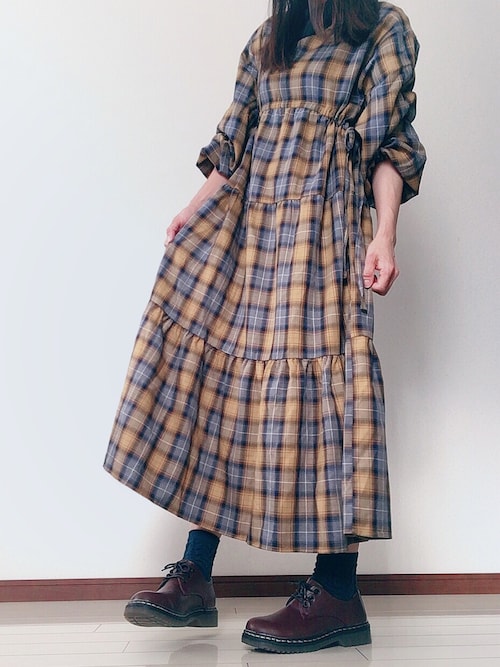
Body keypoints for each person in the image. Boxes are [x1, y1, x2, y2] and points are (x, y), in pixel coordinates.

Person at [104, 0, 426, 654]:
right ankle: (196, 575)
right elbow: (233, 147)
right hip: (250, 232)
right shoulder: (268, 41)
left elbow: (389, 145)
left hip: (323, 235)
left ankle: (337, 589)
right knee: (224, 387)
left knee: (334, 397)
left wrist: (385, 234)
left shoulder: (382, 31)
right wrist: (191, 211)